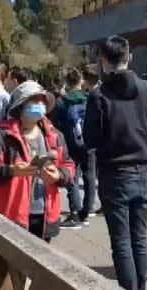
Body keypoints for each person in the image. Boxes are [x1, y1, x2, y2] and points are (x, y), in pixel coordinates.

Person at [84, 35, 147, 290]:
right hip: (143, 168)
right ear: (129, 57)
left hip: (113, 171)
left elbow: (90, 138)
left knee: (121, 240)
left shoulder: (98, 95)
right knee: (139, 238)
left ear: (104, 60)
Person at [0, 81, 74, 242]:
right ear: (21, 106)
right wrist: (12, 170)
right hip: (12, 214)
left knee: (41, 263)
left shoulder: (55, 135)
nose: (40, 106)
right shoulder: (1, 135)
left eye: (43, 102)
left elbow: (68, 165)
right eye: (35, 101)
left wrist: (59, 176)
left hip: (45, 215)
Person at [52, 68, 95, 229]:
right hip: (89, 143)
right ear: (81, 81)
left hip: (70, 143)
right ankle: (86, 212)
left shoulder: (63, 102)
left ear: (67, 82)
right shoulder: (89, 99)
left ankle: (74, 213)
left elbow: (55, 124)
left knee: (72, 177)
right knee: (90, 176)